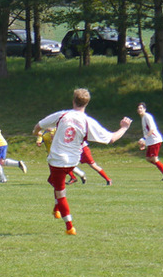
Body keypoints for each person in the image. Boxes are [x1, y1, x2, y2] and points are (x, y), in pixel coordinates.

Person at [34, 88, 131, 236]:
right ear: (87, 103)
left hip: (56, 160)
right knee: (54, 182)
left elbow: (38, 126)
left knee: (60, 192)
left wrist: (37, 134)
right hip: (73, 161)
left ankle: (69, 227)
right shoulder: (88, 121)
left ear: (73, 100)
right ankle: (56, 208)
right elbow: (111, 138)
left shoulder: (62, 114)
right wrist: (124, 128)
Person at [136, 102, 163, 180]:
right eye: (138, 108)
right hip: (151, 141)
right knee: (148, 158)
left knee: (154, 159)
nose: (139, 110)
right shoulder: (143, 118)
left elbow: (152, 129)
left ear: (145, 109)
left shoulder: (147, 116)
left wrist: (144, 138)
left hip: (155, 140)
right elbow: (146, 131)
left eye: (141, 108)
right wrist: (144, 143)